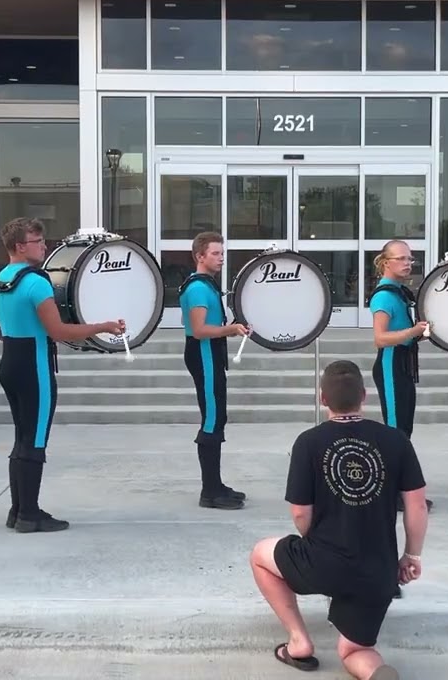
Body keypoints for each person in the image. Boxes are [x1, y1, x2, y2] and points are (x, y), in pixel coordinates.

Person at [249, 359, 427, 680]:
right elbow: (416, 506)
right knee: (355, 651)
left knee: (260, 555)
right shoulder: (396, 440)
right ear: (364, 396)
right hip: (377, 571)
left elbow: (300, 512)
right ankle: (376, 673)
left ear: (323, 399)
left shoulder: (309, 442)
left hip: (323, 563)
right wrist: (410, 556)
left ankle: (299, 641)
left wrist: (313, 543)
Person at [0, 217, 124, 533]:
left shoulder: (2, 277)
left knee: (22, 438)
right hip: (34, 366)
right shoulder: (37, 282)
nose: (44, 246)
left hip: (9, 362)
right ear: (20, 246)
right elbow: (58, 331)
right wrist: (103, 326)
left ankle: (17, 510)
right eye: (37, 241)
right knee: (35, 440)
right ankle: (29, 515)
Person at [179, 231, 249, 510]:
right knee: (212, 418)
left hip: (210, 352)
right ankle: (209, 492)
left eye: (222, 253)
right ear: (200, 256)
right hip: (204, 353)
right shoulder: (198, 288)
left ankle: (216, 484)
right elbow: (199, 330)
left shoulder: (206, 285)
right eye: (215, 254)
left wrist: (232, 327)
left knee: (218, 416)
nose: (221, 258)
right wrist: (230, 329)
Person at [366, 239, 433, 511]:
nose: (408, 263)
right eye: (401, 258)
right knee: (395, 432)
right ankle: (390, 494)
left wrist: (421, 334)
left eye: (410, 259)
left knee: (403, 430)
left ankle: (402, 491)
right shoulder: (384, 296)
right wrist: (413, 332)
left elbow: (406, 334)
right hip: (390, 365)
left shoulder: (399, 293)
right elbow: (380, 338)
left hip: (403, 364)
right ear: (385, 262)